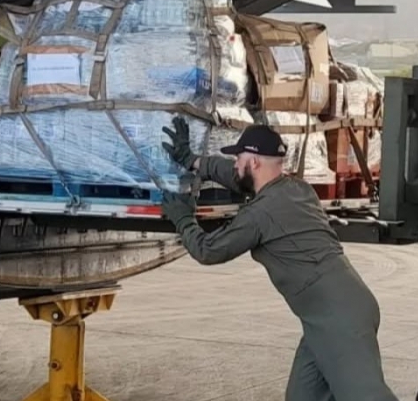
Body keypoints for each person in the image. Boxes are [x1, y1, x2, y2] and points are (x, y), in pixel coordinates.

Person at [158, 118, 398, 401]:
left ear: (255, 162)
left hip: (339, 319)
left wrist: (184, 219)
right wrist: (192, 160)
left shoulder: (261, 214)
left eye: (239, 157)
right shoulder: (297, 189)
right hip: (330, 313)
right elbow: (238, 178)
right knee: (302, 396)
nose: (235, 162)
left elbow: (208, 250)